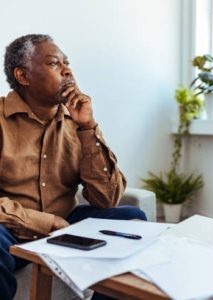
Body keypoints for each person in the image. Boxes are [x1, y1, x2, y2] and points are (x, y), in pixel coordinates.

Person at [0, 34, 147, 300]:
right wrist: (45, 221)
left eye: (67, 63)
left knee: (133, 220)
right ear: (23, 76)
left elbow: (107, 199)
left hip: (67, 226)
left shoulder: (77, 122)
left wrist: (88, 128)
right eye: (54, 63)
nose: (67, 70)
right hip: (10, 230)